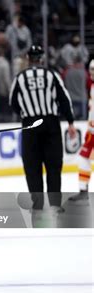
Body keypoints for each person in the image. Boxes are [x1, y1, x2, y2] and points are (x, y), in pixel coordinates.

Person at [9, 45, 76, 211]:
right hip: (50, 123)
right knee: (53, 165)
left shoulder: (20, 77)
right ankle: (54, 204)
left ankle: (37, 203)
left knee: (32, 166)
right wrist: (70, 122)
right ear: (42, 59)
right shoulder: (52, 75)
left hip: (30, 124)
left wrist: (26, 114)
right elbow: (64, 98)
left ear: (28, 59)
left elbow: (13, 103)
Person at [68, 59, 94, 204]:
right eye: (91, 69)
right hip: (92, 132)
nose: (92, 73)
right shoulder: (92, 86)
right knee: (84, 158)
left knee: (84, 158)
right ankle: (83, 190)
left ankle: (83, 191)